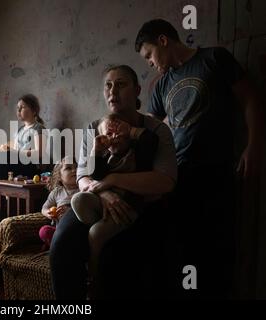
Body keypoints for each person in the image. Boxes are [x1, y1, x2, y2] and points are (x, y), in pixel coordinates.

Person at [135, 18, 264, 298]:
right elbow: (150, 131)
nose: (150, 63)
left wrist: (254, 145)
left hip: (217, 171)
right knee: (183, 249)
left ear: (163, 40)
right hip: (179, 176)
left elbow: (250, 98)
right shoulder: (161, 86)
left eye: (149, 55)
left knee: (218, 249)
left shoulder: (214, 59)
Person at [49, 64, 177, 299]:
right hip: (96, 199)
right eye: (108, 85)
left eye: (121, 84)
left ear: (137, 90)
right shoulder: (94, 128)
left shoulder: (156, 130)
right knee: (61, 245)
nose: (112, 91)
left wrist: (113, 179)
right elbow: (83, 175)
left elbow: (164, 181)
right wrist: (104, 192)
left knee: (115, 255)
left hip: (142, 205)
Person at [71, 112, 158, 282]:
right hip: (104, 204)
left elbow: (152, 141)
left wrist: (131, 131)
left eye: (119, 131)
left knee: (96, 234)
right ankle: (103, 226)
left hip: (129, 206)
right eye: (108, 134)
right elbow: (95, 175)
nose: (115, 136)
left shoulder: (136, 152)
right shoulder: (105, 157)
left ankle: (93, 274)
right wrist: (96, 150)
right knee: (77, 200)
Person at [0, 94, 47, 206]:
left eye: (22, 107)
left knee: (4, 157)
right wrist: (7, 148)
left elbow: (39, 153)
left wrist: (14, 153)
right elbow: (16, 149)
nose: (18, 110)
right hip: (19, 163)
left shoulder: (38, 128)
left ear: (34, 110)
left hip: (31, 166)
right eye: (17, 107)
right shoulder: (20, 130)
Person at [39, 157, 79, 250]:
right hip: (59, 231)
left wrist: (70, 213)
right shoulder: (57, 192)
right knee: (44, 231)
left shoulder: (82, 190)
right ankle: (57, 245)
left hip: (76, 230)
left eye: (76, 167)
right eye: (68, 168)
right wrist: (49, 213)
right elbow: (44, 208)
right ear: (59, 177)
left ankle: (58, 246)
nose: (74, 170)